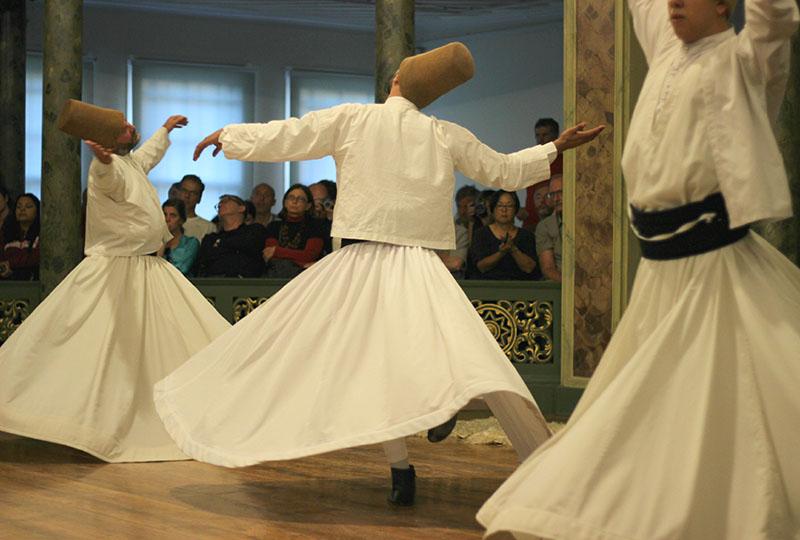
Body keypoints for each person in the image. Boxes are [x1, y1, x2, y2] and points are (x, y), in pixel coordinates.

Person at [154, 42, 602, 506]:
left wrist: (229, 136)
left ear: (395, 82)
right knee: (451, 353)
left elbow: (292, 134)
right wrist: (554, 148)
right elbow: (504, 170)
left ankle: (407, 461)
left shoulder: (355, 118)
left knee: (372, 365)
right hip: (417, 263)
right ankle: (438, 439)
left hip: (362, 262)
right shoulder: (443, 132)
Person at [478, 1, 800, 538]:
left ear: (724, 4)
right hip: (660, 275)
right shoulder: (667, 48)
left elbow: (776, 16)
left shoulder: (749, 60)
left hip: (713, 268)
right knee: (652, 404)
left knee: (728, 402)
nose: (672, 3)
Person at [0, 106, 230, 462]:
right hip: (117, 271)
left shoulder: (132, 163)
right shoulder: (105, 169)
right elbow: (110, 180)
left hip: (146, 269)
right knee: (105, 348)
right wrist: (103, 162)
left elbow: (146, 157)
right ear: (109, 143)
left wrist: (165, 130)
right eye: (123, 128)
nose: (131, 127)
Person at [470, 190, 541, 281]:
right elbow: (481, 266)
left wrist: (513, 249)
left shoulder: (526, 235)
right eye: (500, 205)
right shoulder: (481, 234)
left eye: (509, 206)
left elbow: (529, 268)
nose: (504, 210)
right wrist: (501, 253)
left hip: (520, 289)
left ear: (516, 209)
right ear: (493, 209)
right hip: (488, 288)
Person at [193, 194, 267, 278]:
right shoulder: (210, 239)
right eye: (219, 204)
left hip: (244, 284)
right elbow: (201, 263)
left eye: (226, 201)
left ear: (241, 208)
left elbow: (249, 246)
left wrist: (219, 245)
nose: (220, 204)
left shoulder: (254, 230)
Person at [263, 184, 327, 278]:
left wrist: (277, 251)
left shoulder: (316, 226)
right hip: (277, 273)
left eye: (301, 199)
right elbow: (269, 255)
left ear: (308, 206)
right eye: (291, 197)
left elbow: (309, 255)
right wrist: (301, 262)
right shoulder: (274, 226)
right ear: (285, 202)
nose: (294, 201)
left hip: (305, 276)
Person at [0, 194, 41, 281]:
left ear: (37, 211)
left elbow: (36, 258)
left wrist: (11, 263)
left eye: (28, 206)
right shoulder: (7, 233)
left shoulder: (42, 234)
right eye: (19, 206)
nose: (22, 210)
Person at [535, 174, 563, 282]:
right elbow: (548, 268)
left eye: (561, 192)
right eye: (552, 194)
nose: (556, 199)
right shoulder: (545, 226)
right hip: (559, 286)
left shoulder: (586, 221)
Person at [162, 198, 199, 276]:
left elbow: (181, 269)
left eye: (173, 216)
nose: (167, 219)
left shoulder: (190, 243)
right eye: (164, 214)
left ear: (181, 220)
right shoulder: (153, 244)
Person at [178, 174, 216, 242]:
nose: (187, 196)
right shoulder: (162, 221)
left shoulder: (208, 228)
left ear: (199, 198)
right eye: (184, 191)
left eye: (193, 193)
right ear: (178, 192)